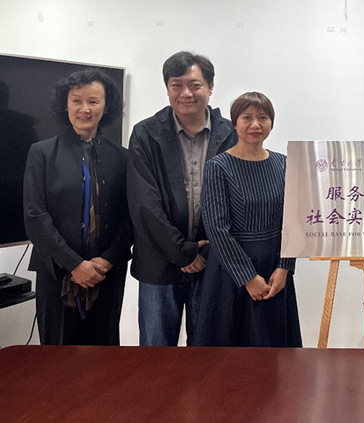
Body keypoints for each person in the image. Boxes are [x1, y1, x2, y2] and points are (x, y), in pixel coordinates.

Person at [127, 51, 236, 346]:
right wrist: (181, 252)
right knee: (157, 353)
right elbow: (143, 203)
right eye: (177, 85)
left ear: (210, 87)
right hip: (159, 262)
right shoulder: (145, 133)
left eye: (195, 85)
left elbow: (239, 201)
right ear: (167, 89)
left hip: (214, 262)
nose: (186, 93)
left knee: (209, 354)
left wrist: (209, 250)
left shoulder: (232, 134)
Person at [23, 68, 131, 345]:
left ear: (106, 106)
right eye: (76, 101)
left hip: (106, 273)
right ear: (65, 104)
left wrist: (107, 260)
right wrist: (74, 264)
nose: (85, 109)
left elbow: (130, 217)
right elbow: (35, 215)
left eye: (93, 101)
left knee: (105, 352)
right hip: (56, 270)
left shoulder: (122, 158)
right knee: (57, 354)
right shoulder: (42, 153)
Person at [194, 92, 301, 347]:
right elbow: (217, 228)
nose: (255, 124)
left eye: (263, 117)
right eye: (247, 117)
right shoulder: (218, 166)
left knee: (275, 351)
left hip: (274, 270)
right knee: (229, 354)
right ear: (235, 123)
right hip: (230, 273)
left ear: (271, 122)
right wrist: (248, 277)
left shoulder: (284, 164)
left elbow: (293, 221)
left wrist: (285, 268)